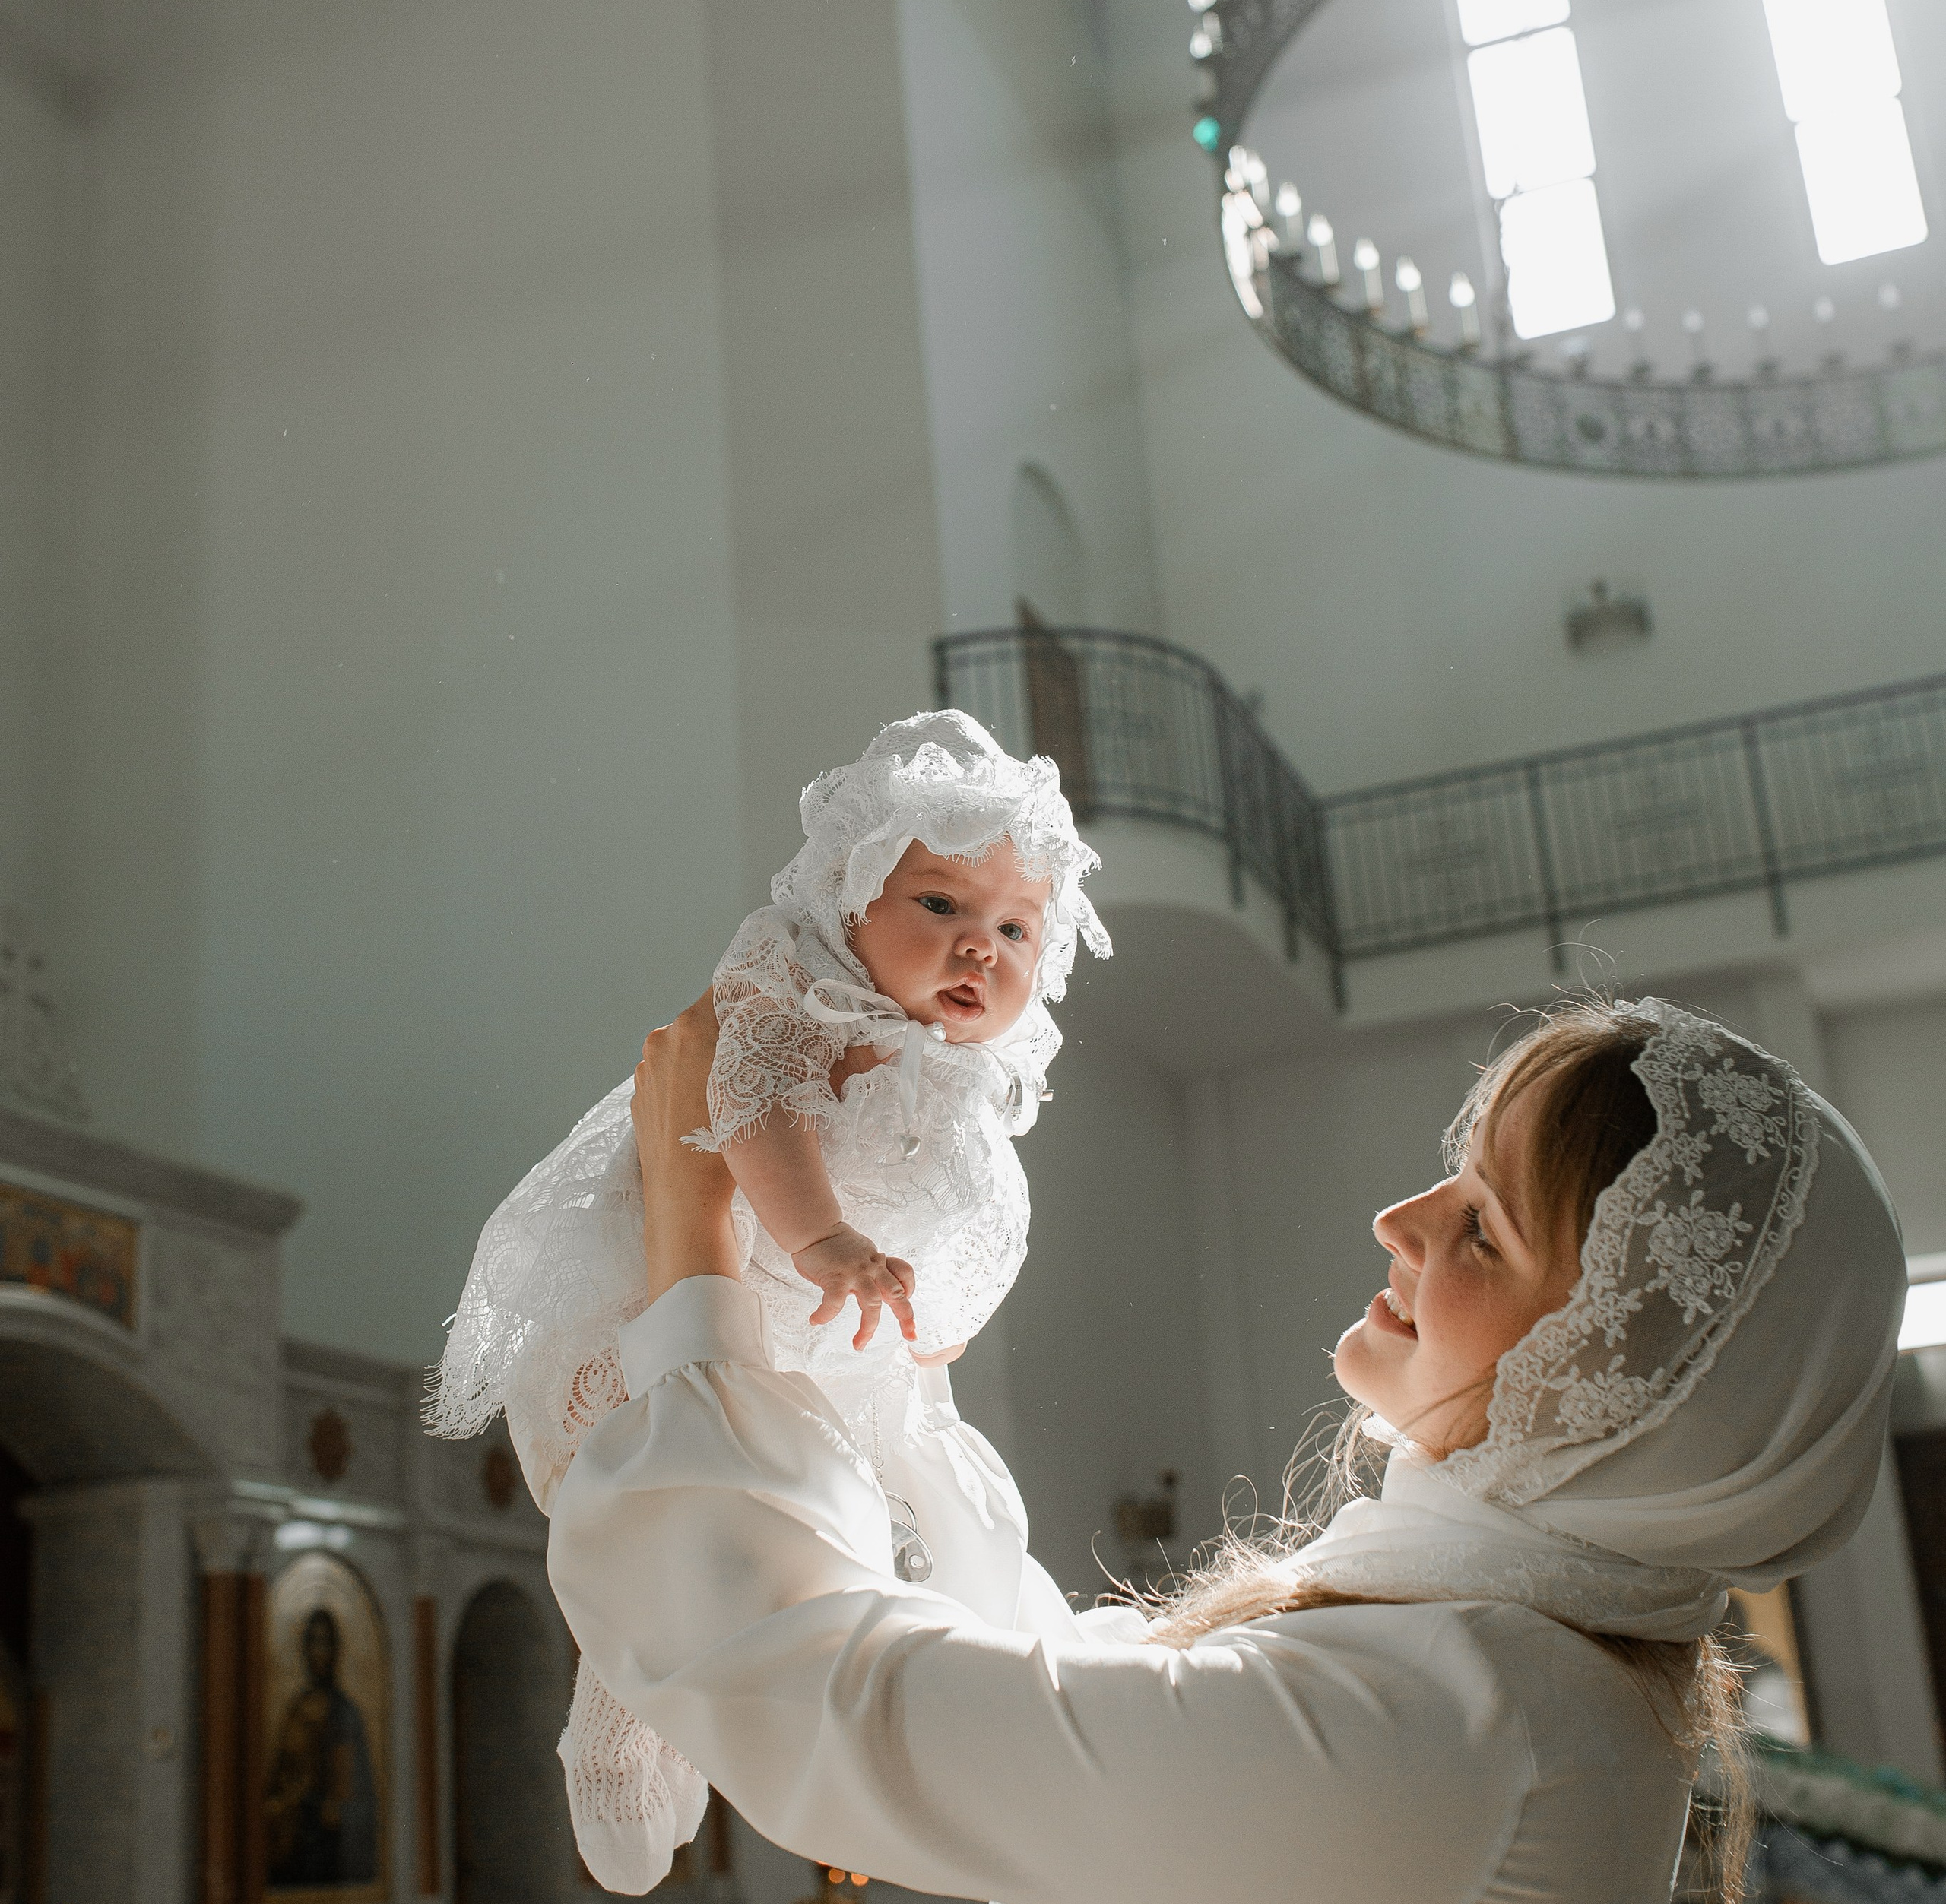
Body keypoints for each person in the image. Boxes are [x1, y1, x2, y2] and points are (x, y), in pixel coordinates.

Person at [547, 994, 1906, 1903]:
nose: (1400, 1216)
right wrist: (892, 1394)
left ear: (1622, 1388)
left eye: (1485, 1225)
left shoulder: (1470, 1728)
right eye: (1455, 1166)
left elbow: (848, 1710)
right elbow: (1075, 1700)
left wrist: (695, 1232)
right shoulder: (1513, 1671)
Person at [429, 710, 1110, 1890]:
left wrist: (942, 1298)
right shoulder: (800, 986)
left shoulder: (964, 1077)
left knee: (861, 1539)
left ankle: (866, 1762)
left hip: (840, 1350)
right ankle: (624, 1714)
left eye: (1013, 928)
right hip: (727, 1285)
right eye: (938, 905)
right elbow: (750, 1109)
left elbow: (967, 1210)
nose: (976, 949)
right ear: (848, 903)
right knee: (686, 1530)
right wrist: (827, 1236)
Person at [264, 1608, 379, 1887]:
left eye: (325, 1642)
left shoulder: (346, 1714)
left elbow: (361, 1800)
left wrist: (333, 1809)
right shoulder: (295, 1711)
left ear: (336, 1650)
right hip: (293, 1846)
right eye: (312, 1642)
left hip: (331, 1850)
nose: (318, 1652)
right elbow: (277, 1784)